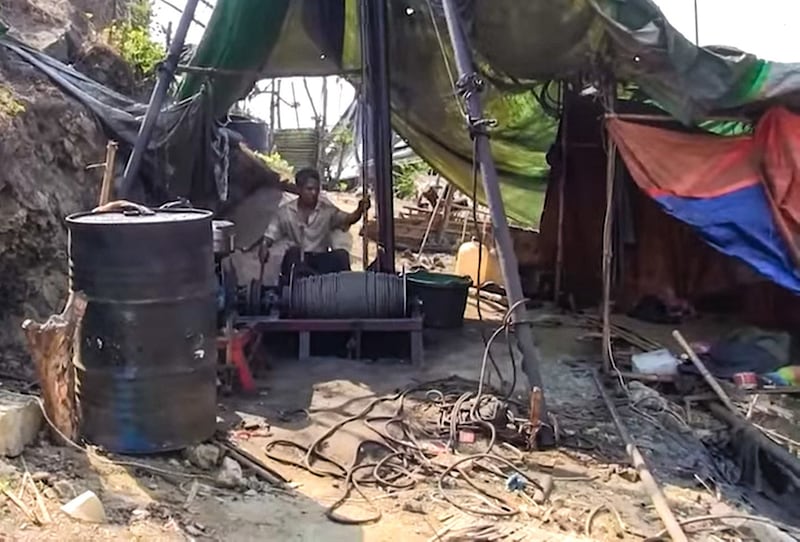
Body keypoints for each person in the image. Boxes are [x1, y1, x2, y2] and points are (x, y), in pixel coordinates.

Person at [259, 168, 370, 284]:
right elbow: (271, 233)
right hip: (298, 261)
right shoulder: (285, 212)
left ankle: (345, 295)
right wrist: (264, 246)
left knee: (341, 256)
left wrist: (359, 210)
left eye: (317, 189)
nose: (314, 193)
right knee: (292, 254)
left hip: (321, 260)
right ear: (299, 190)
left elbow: (348, 219)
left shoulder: (327, 211)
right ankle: (294, 295)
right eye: (309, 189)